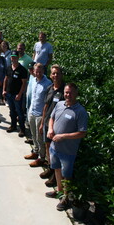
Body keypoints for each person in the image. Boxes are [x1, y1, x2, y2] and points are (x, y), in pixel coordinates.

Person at [45, 83, 88, 211]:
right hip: (54, 147)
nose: (67, 95)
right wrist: (50, 129)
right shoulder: (59, 104)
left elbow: (82, 133)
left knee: (67, 175)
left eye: (70, 92)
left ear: (76, 94)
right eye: (66, 92)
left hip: (68, 151)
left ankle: (66, 198)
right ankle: (59, 192)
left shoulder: (80, 112)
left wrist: (63, 136)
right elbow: (51, 118)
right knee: (57, 170)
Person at [24, 63, 52, 167]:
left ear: (43, 71)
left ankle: (41, 157)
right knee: (33, 134)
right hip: (32, 112)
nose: (38, 73)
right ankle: (35, 152)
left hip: (40, 114)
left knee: (40, 137)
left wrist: (44, 118)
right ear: (34, 71)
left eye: (40, 71)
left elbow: (47, 103)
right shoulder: (33, 80)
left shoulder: (48, 83)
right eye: (36, 71)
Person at [2, 51, 28, 136]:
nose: (13, 59)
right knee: (12, 111)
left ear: (18, 58)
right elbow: (5, 79)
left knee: (20, 113)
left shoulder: (22, 70)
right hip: (9, 94)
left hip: (17, 95)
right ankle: (13, 126)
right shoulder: (9, 68)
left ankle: (22, 129)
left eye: (15, 57)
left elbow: (24, 84)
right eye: (12, 57)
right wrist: (4, 90)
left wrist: (20, 94)